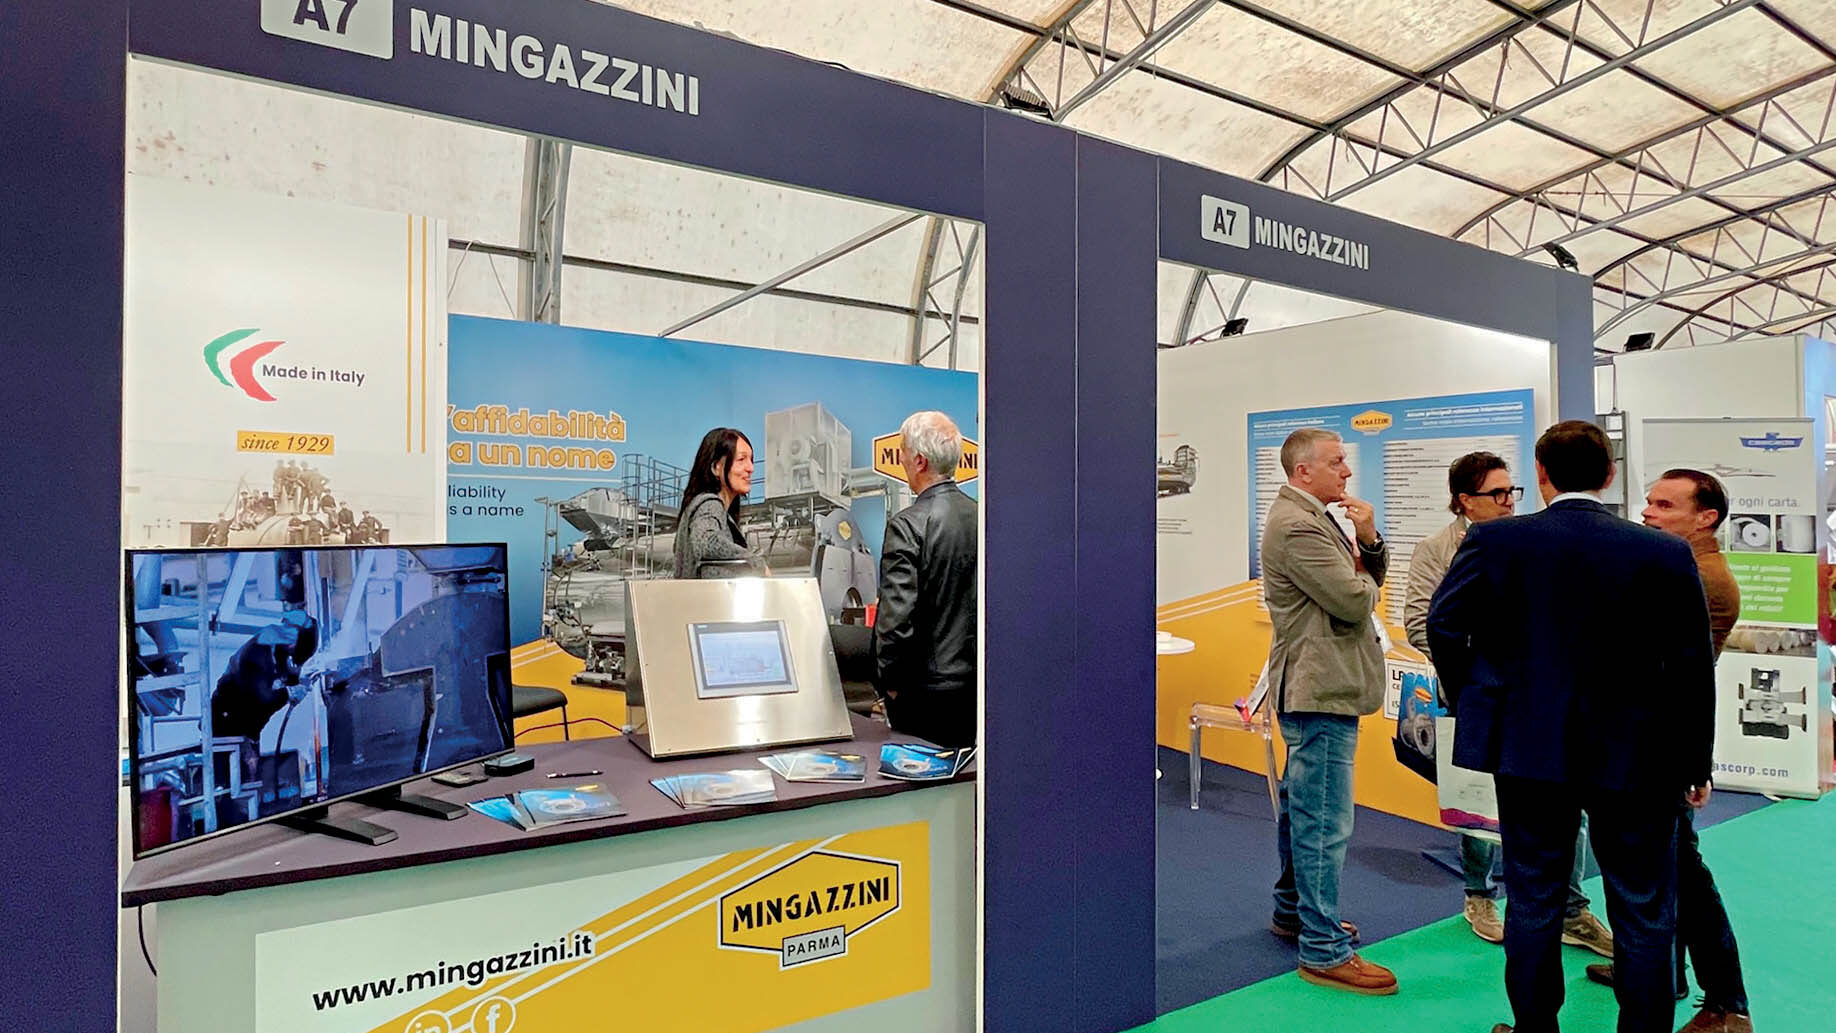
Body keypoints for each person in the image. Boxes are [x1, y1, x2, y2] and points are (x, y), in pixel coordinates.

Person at [1428, 421, 1717, 1033]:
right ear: (1610, 474)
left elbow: (1444, 625)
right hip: (1638, 755)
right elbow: (1692, 664)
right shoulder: (1664, 551)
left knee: (1534, 898)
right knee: (1643, 907)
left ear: (1540, 475)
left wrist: (1481, 698)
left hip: (1528, 750)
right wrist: (1696, 760)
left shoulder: (1496, 541)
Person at [1403, 452, 1614, 955]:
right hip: (1475, 694)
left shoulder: (1531, 538)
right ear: (1464, 500)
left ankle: (1571, 908)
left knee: (1568, 804)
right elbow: (1422, 623)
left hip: (1542, 697)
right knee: (1478, 802)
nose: (1508, 502)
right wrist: (1476, 674)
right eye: (1495, 494)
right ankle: (1479, 895)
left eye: (1511, 491)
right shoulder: (1436, 550)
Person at [1583, 470, 1750, 1033]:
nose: (1647, 513)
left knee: (1681, 876)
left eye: (1664, 505)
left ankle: (1726, 1004)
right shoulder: (1678, 567)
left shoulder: (1699, 578)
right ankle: (1666, 975)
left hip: (1655, 750)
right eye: (1649, 502)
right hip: (1656, 745)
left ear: (1706, 518)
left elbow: (1666, 671)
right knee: (1672, 872)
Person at [1261, 428, 1397, 995]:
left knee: (1305, 807)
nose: (1346, 470)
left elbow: (1362, 586)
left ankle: (1294, 912)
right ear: (1303, 472)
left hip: (1323, 687)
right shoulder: (1298, 525)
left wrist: (1368, 542)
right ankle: (1322, 948)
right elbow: (1355, 599)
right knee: (1322, 819)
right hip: (1320, 691)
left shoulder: (1312, 518)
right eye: (1337, 461)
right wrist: (1363, 567)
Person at [874, 411, 978, 748]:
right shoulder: (985, 518)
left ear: (919, 461)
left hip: (924, 698)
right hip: (978, 691)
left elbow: (895, 620)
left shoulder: (907, 526)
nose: (901, 460)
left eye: (903, 452)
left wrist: (890, 684)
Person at [673, 427, 765, 578]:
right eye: (741, 459)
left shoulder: (710, 508)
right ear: (716, 467)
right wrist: (754, 561)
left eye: (751, 460)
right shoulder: (709, 504)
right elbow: (705, 542)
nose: (751, 468)